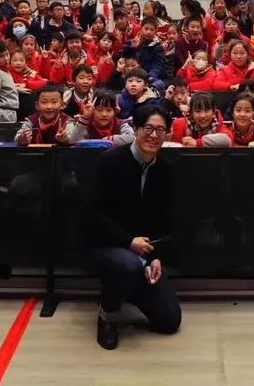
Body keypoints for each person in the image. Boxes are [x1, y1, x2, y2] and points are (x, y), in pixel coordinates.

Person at [84, 105, 181, 350]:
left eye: (160, 130)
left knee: (169, 321)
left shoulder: (165, 170)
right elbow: (93, 215)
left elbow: (166, 221)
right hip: (106, 246)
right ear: (136, 129)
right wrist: (128, 241)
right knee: (127, 265)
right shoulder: (109, 162)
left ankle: (127, 288)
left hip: (143, 253)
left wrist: (157, 257)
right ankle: (107, 315)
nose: (154, 135)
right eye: (148, 128)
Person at [68, 91, 135, 146]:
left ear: (114, 111)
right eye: (99, 110)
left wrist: (108, 140)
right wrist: (85, 117)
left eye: (109, 110)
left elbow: (132, 138)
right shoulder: (85, 124)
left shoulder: (120, 124)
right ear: (92, 110)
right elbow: (73, 142)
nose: (104, 114)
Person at [123, 17, 165, 86]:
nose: (148, 32)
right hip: (132, 75)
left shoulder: (158, 47)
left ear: (155, 31)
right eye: (146, 29)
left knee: (159, 84)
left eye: (152, 30)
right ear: (141, 29)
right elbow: (123, 57)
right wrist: (132, 47)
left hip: (148, 77)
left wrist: (148, 78)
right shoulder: (134, 41)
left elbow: (157, 66)